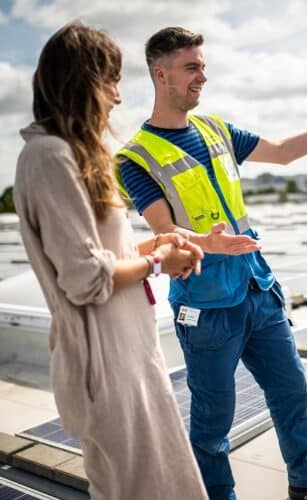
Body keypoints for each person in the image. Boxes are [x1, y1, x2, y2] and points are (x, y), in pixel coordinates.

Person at [116, 26, 307, 500]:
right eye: (192, 67)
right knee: (213, 420)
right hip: (206, 306)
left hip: (257, 289)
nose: (203, 75)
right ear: (160, 75)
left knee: (291, 392)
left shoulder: (218, 129)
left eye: (203, 65)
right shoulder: (136, 156)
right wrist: (208, 242)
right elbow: (162, 231)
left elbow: (284, 153)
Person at [14, 22, 209, 500]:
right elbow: (85, 280)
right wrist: (159, 258)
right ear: (80, 82)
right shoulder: (48, 158)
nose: (118, 98)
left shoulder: (73, 157)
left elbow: (104, 259)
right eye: (110, 82)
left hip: (131, 358)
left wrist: (168, 247)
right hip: (104, 367)